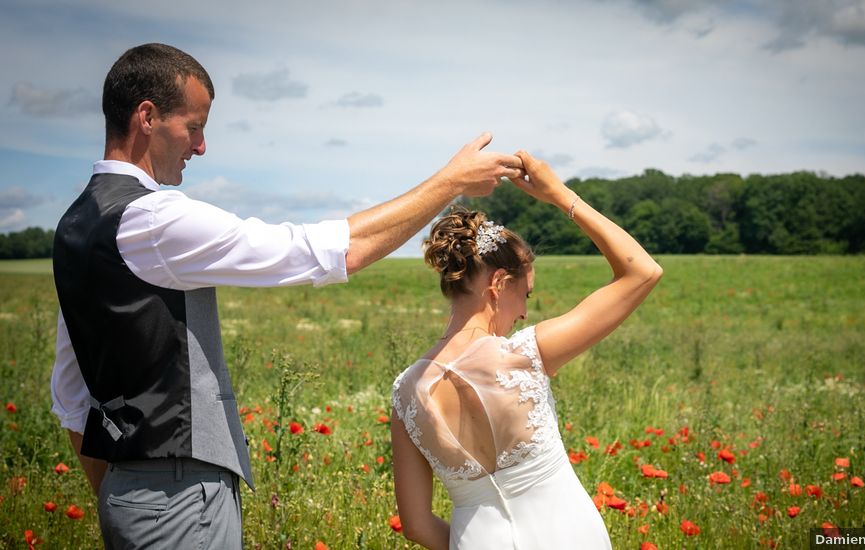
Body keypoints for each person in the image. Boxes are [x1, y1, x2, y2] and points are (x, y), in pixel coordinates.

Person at [50, 42, 523, 549]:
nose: (201, 146)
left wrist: (123, 493)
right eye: (194, 127)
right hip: (179, 494)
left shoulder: (75, 227)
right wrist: (450, 183)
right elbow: (323, 251)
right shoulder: (153, 219)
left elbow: (73, 396)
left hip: (129, 495)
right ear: (147, 116)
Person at [390, 150, 663, 549]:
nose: (524, 314)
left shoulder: (405, 391)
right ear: (499, 284)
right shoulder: (524, 354)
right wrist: (559, 194)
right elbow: (643, 270)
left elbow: (415, 525)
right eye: (526, 294)